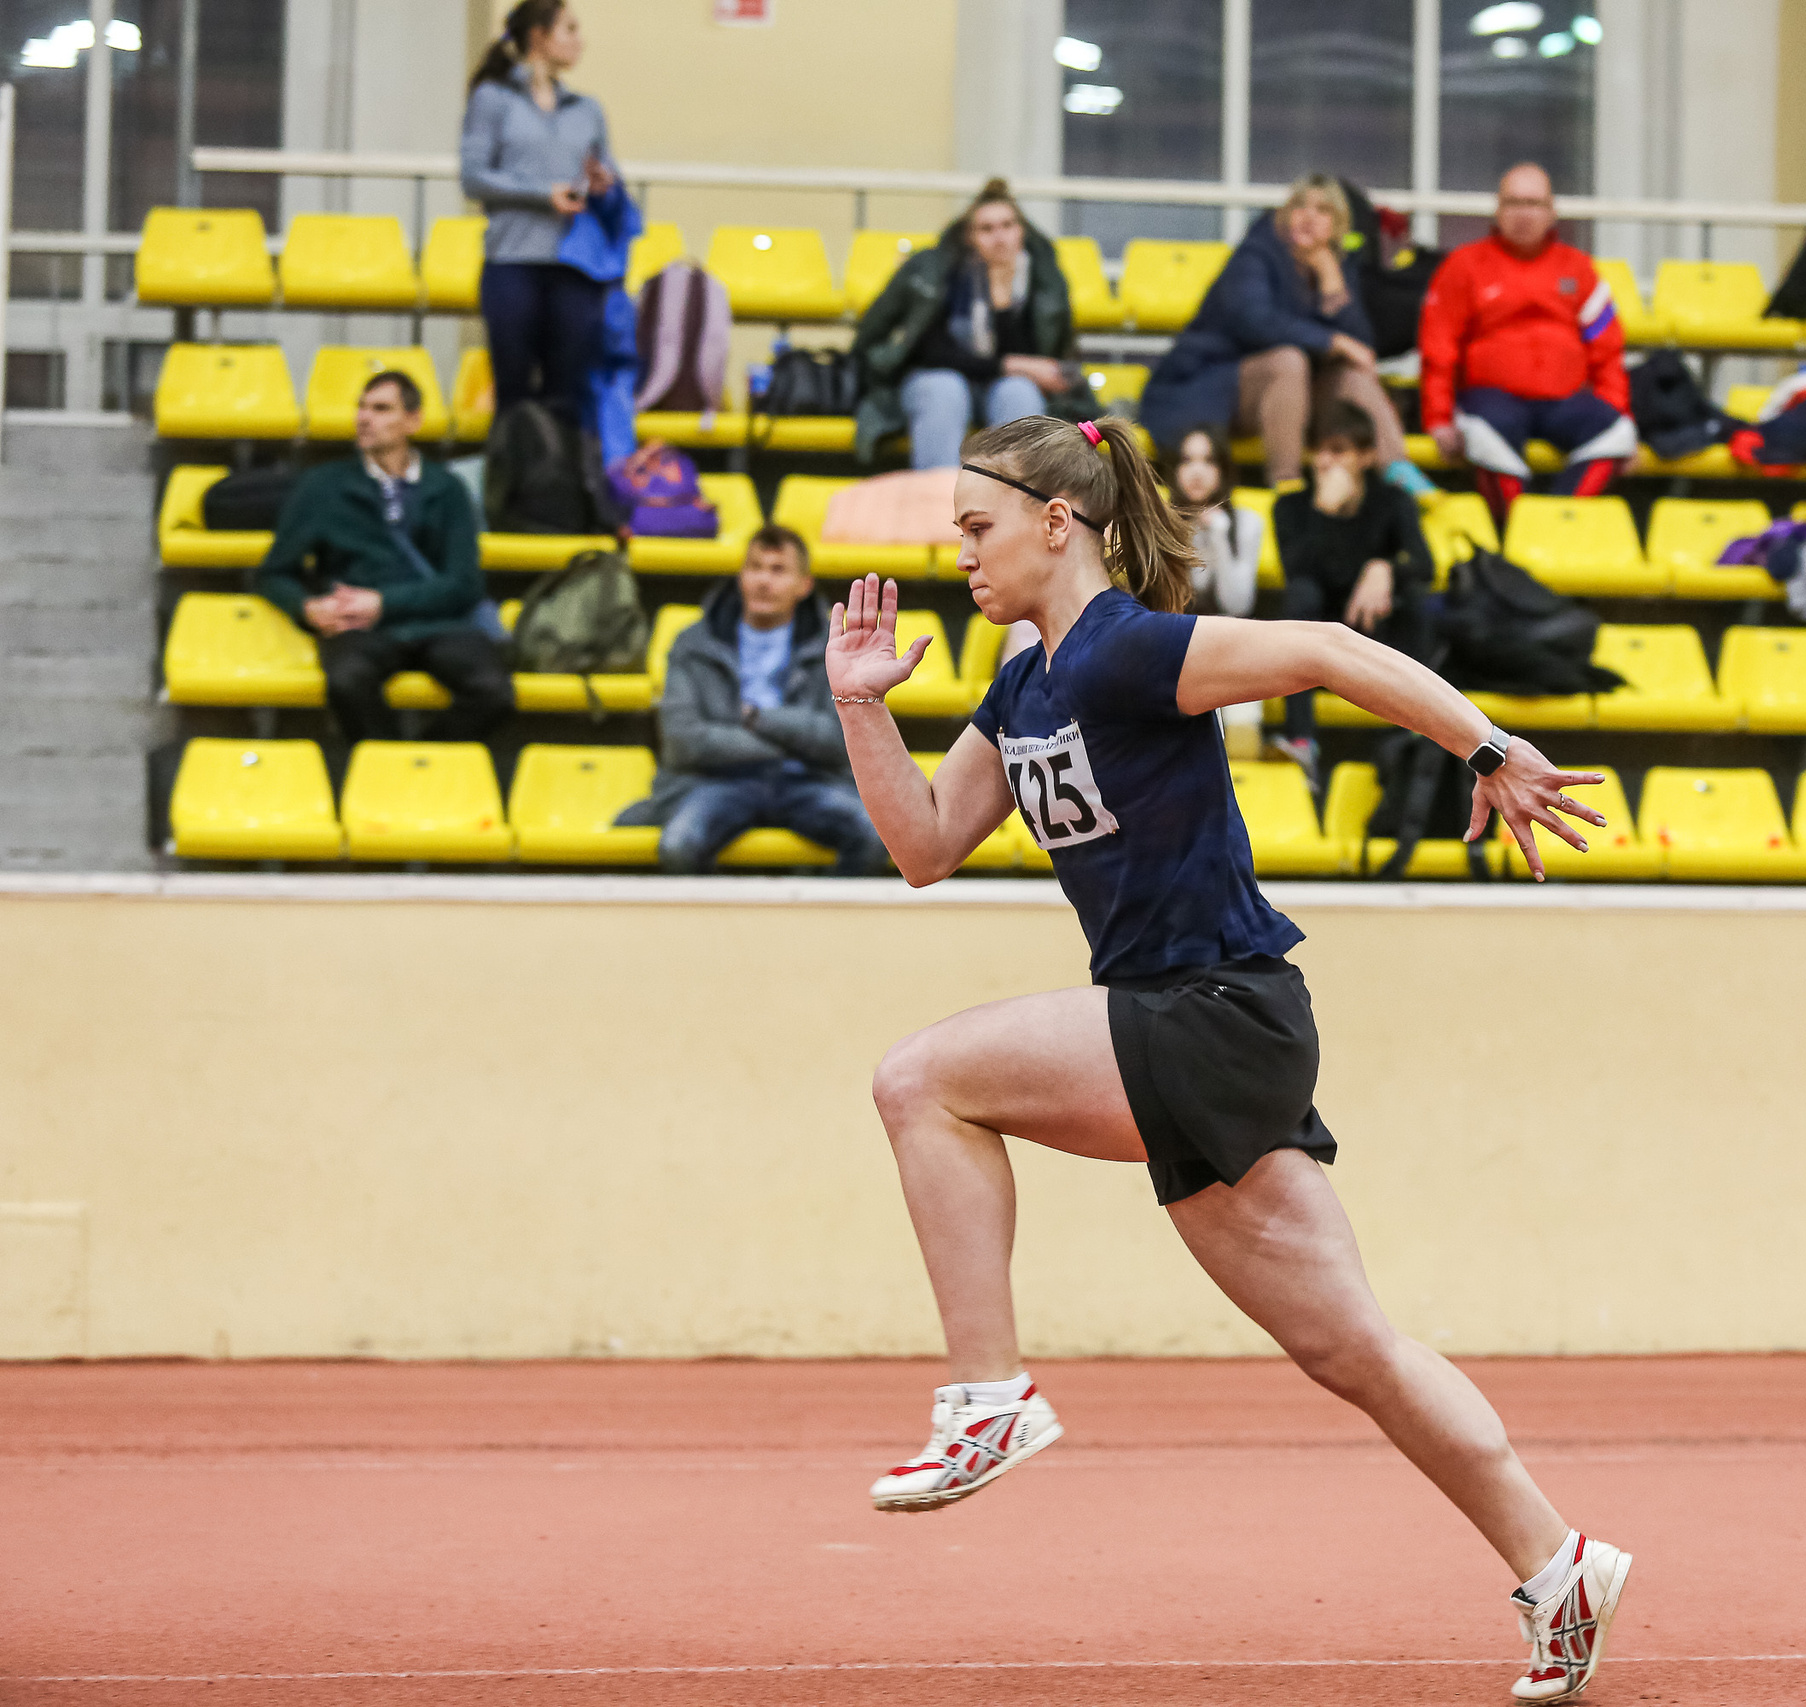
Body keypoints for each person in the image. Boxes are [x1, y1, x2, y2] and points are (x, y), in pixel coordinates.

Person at [823, 411, 1631, 1704]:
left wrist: (1485, 747)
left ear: (1057, 521)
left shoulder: (1129, 650)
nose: (959, 554)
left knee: (921, 1078)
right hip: (1190, 1024)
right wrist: (863, 701)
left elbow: (1321, 648)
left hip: (1208, 1006)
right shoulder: (1024, 684)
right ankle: (1559, 1560)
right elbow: (925, 844)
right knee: (1351, 1346)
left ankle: (987, 1390)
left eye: (977, 527)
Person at [255, 371, 507, 745]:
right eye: (361, 407)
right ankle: (387, 771)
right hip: (356, 627)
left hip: (436, 623)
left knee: (494, 691)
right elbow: (274, 573)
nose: (364, 417)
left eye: (381, 408)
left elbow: (465, 584)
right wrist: (306, 607)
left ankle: (421, 767)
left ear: (413, 420)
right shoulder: (321, 486)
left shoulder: (447, 489)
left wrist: (383, 604)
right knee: (346, 681)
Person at [613, 526, 882, 875]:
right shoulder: (694, 644)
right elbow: (683, 742)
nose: (763, 581)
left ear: (804, 585)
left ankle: (823, 929)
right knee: (679, 844)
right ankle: (716, 929)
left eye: (778, 570)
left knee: (875, 837)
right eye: (755, 567)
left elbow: (841, 739)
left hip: (808, 781)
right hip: (717, 781)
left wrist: (758, 719)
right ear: (741, 576)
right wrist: (789, 744)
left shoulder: (835, 646)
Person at [1139, 172, 1425, 494]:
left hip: (1294, 400)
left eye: (1323, 211)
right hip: (1213, 388)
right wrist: (1332, 340)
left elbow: (1362, 348)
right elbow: (1254, 321)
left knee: (1353, 375)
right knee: (1288, 361)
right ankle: (1287, 487)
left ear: (1339, 225)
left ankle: (1403, 477)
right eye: (1301, 206)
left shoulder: (1336, 265)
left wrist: (1332, 282)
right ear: (1286, 215)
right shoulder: (1256, 255)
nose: (1310, 217)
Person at [1417, 161, 1635, 524]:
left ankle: (1556, 526)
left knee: (1619, 433)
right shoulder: (1464, 266)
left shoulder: (1579, 269)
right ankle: (1517, 535)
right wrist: (1438, 417)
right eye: (1514, 203)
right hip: (1491, 400)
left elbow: (1607, 350)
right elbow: (1438, 347)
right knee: (1487, 437)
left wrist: (1615, 407)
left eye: (1534, 204)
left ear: (1552, 213)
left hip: (1564, 402)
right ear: (1498, 210)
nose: (1524, 214)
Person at [852, 178, 1089, 471]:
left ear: (1021, 231)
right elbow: (931, 352)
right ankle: (939, 504)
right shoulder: (936, 272)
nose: (999, 237)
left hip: (1002, 390)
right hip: (931, 381)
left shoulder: (1045, 280)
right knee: (945, 389)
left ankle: (1017, 500)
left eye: (1007, 226)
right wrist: (1016, 364)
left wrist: (1003, 303)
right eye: (986, 229)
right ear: (969, 237)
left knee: (1019, 392)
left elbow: (1051, 352)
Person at [460, 1, 617, 424]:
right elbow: (474, 178)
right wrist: (542, 194)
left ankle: (563, 485)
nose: (579, 40)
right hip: (513, 261)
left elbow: (609, 174)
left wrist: (602, 186)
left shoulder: (587, 109)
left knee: (568, 393)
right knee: (513, 391)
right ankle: (512, 484)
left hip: (575, 264)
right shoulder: (493, 99)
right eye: (569, 29)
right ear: (539, 37)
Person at [1270, 402, 1434, 769]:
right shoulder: (1291, 507)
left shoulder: (1392, 500)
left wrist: (1385, 569)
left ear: (1366, 456)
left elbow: (1426, 567)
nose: (1325, 462)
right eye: (1319, 451)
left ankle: (1418, 732)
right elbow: (1297, 570)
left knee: (1416, 599)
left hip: (1375, 634)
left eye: (1338, 451)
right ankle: (1302, 740)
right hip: (1319, 643)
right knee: (1302, 594)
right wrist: (1324, 514)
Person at [1168, 426, 1268, 760]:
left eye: (1208, 461)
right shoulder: (1157, 523)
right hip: (1171, 641)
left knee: (1242, 735)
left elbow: (1237, 603)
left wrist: (1221, 536)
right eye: (1187, 460)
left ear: (1223, 470)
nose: (1197, 471)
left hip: (1229, 641)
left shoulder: (1247, 522)